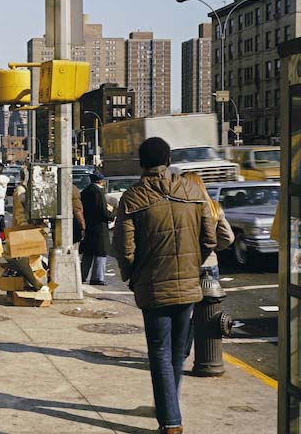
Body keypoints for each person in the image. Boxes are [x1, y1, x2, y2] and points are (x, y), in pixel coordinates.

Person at [113, 137, 216, 434]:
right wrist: (192, 264)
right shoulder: (193, 190)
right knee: (177, 353)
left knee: (159, 352)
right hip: (188, 283)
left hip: (152, 284)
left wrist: (131, 275)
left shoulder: (133, 198)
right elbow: (210, 238)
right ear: (168, 160)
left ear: (142, 163)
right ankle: (169, 406)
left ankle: (170, 419)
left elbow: (124, 246)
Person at [183, 172, 234, 280]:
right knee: (211, 295)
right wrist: (213, 248)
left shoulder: (182, 208)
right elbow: (228, 237)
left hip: (186, 263)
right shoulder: (214, 207)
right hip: (209, 262)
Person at [80, 172, 115, 285]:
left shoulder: (85, 191)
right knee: (101, 252)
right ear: (101, 181)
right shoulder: (99, 192)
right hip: (99, 226)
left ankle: (82, 275)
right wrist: (112, 215)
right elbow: (102, 211)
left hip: (89, 225)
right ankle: (97, 277)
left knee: (88, 252)